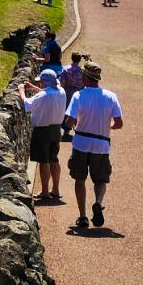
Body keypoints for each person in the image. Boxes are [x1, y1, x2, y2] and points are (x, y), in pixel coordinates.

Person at [65, 61, 123, 231]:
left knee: (79, 179)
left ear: (85, 78)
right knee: (100, 179)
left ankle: (82, 216)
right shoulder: (111, 96)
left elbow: (70, 122)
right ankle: (98, 203)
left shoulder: (78, 96)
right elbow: (119, 123)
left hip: (81, 143)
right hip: (101, 144)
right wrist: (107, 127)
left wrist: (74, 126)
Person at [21, 68, 67, 201]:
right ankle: (56, 189)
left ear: (44, 82)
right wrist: (34, 88)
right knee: (54, 159)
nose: (40, 84)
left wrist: (22, 91)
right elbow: (46, 94)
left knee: (44, 161)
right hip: (56, 129)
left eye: (41, 82)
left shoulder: (44, 95)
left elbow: (28, 104)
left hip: (42, 130)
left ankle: (45, 191)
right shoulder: (61, 92)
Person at [58, 51, 85, 139]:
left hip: (67, 92)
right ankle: (78, 129)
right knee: (78, 110)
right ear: (80, 60)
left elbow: (62, 82)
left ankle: (66, 130)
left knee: (67, 110)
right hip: (79, 92)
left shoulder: (65, 69)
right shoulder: (82, 70)